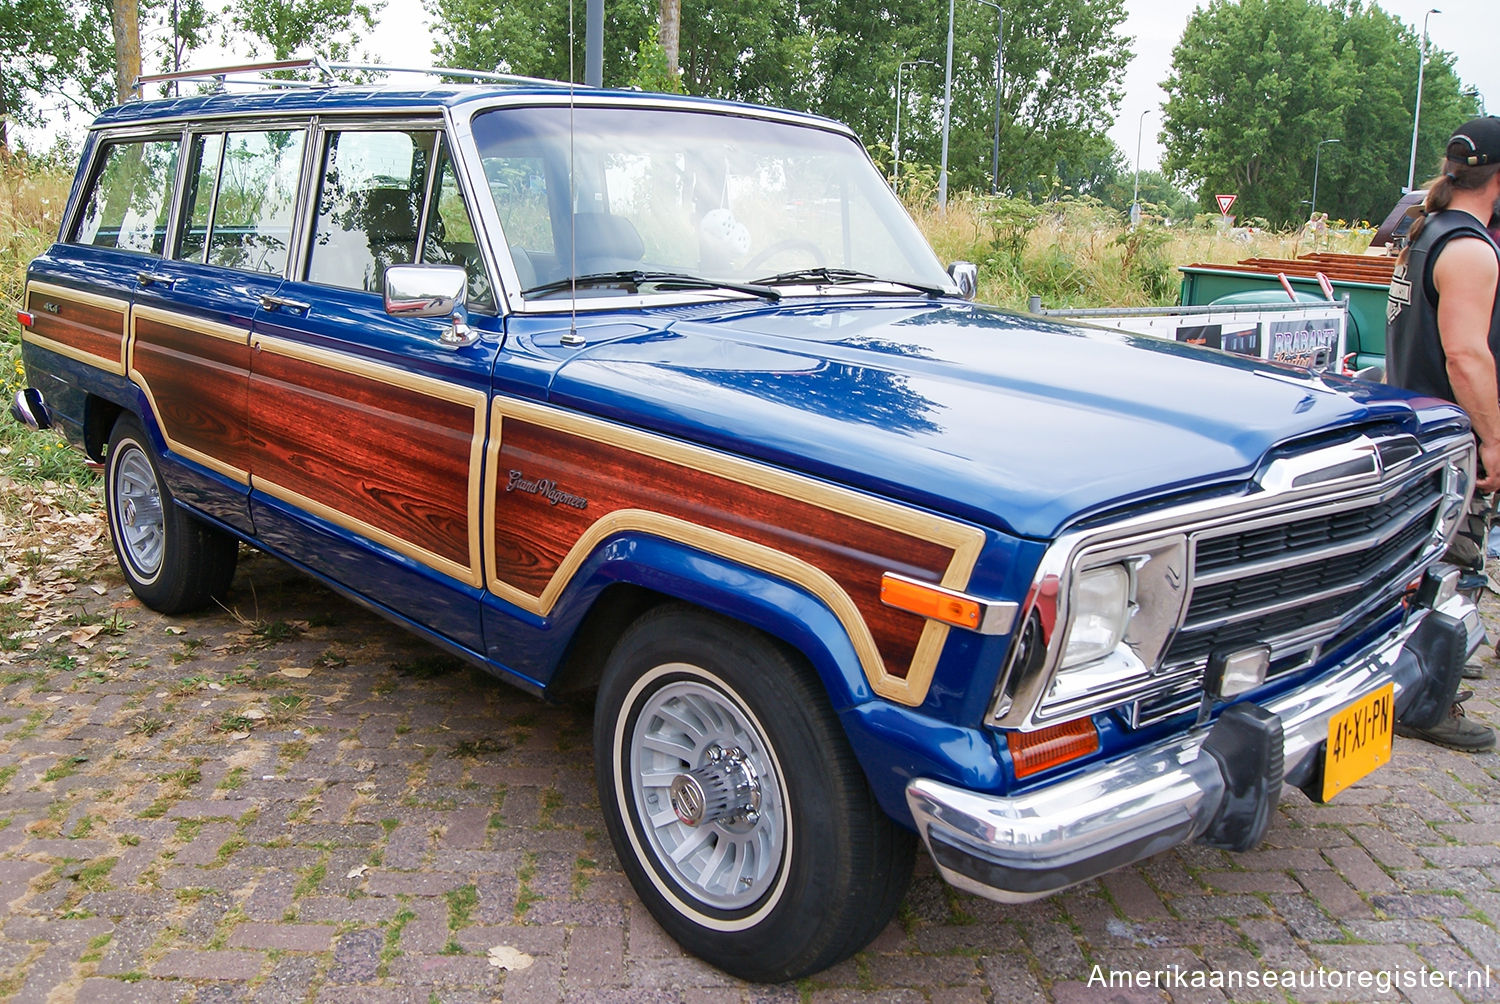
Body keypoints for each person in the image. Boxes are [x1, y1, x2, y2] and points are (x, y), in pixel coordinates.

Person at [1385, 115, 1500, 753]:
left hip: (1419, 425)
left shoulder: (1423, 230)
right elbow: (1467, 355)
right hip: (1454, 436)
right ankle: (1429, 698)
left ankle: (1411, 678)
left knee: (1418, 566)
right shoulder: (1469, 250)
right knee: (1455, 572)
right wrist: (1494, 439)